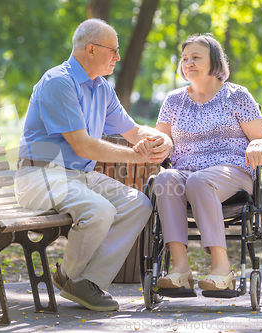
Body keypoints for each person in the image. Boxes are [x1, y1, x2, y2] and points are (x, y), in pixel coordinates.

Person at [14, 18, 172, 311]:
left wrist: (163, 140)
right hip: (39, 175)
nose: (118, 57)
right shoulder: (59, 82)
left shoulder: (102, 88)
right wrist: (136, 156)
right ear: (91, 49)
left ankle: (80, 279)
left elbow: (134, 132)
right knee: (99, 209)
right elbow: (83, 145)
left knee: (138, 204)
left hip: (79, 175)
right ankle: (75, 279)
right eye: (113, 50)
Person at [154, 33, 262, 291]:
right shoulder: (174, 101)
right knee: (164, 178)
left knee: (200, 180)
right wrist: (157, 144)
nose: (188, 62)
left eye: (196, 57)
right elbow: (162, 139)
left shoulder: (236, 96)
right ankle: (180, 268)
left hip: (232, 172)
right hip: (185, 170)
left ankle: (222, 268)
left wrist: (256, 144)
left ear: (215, 62)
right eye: (185, 58)